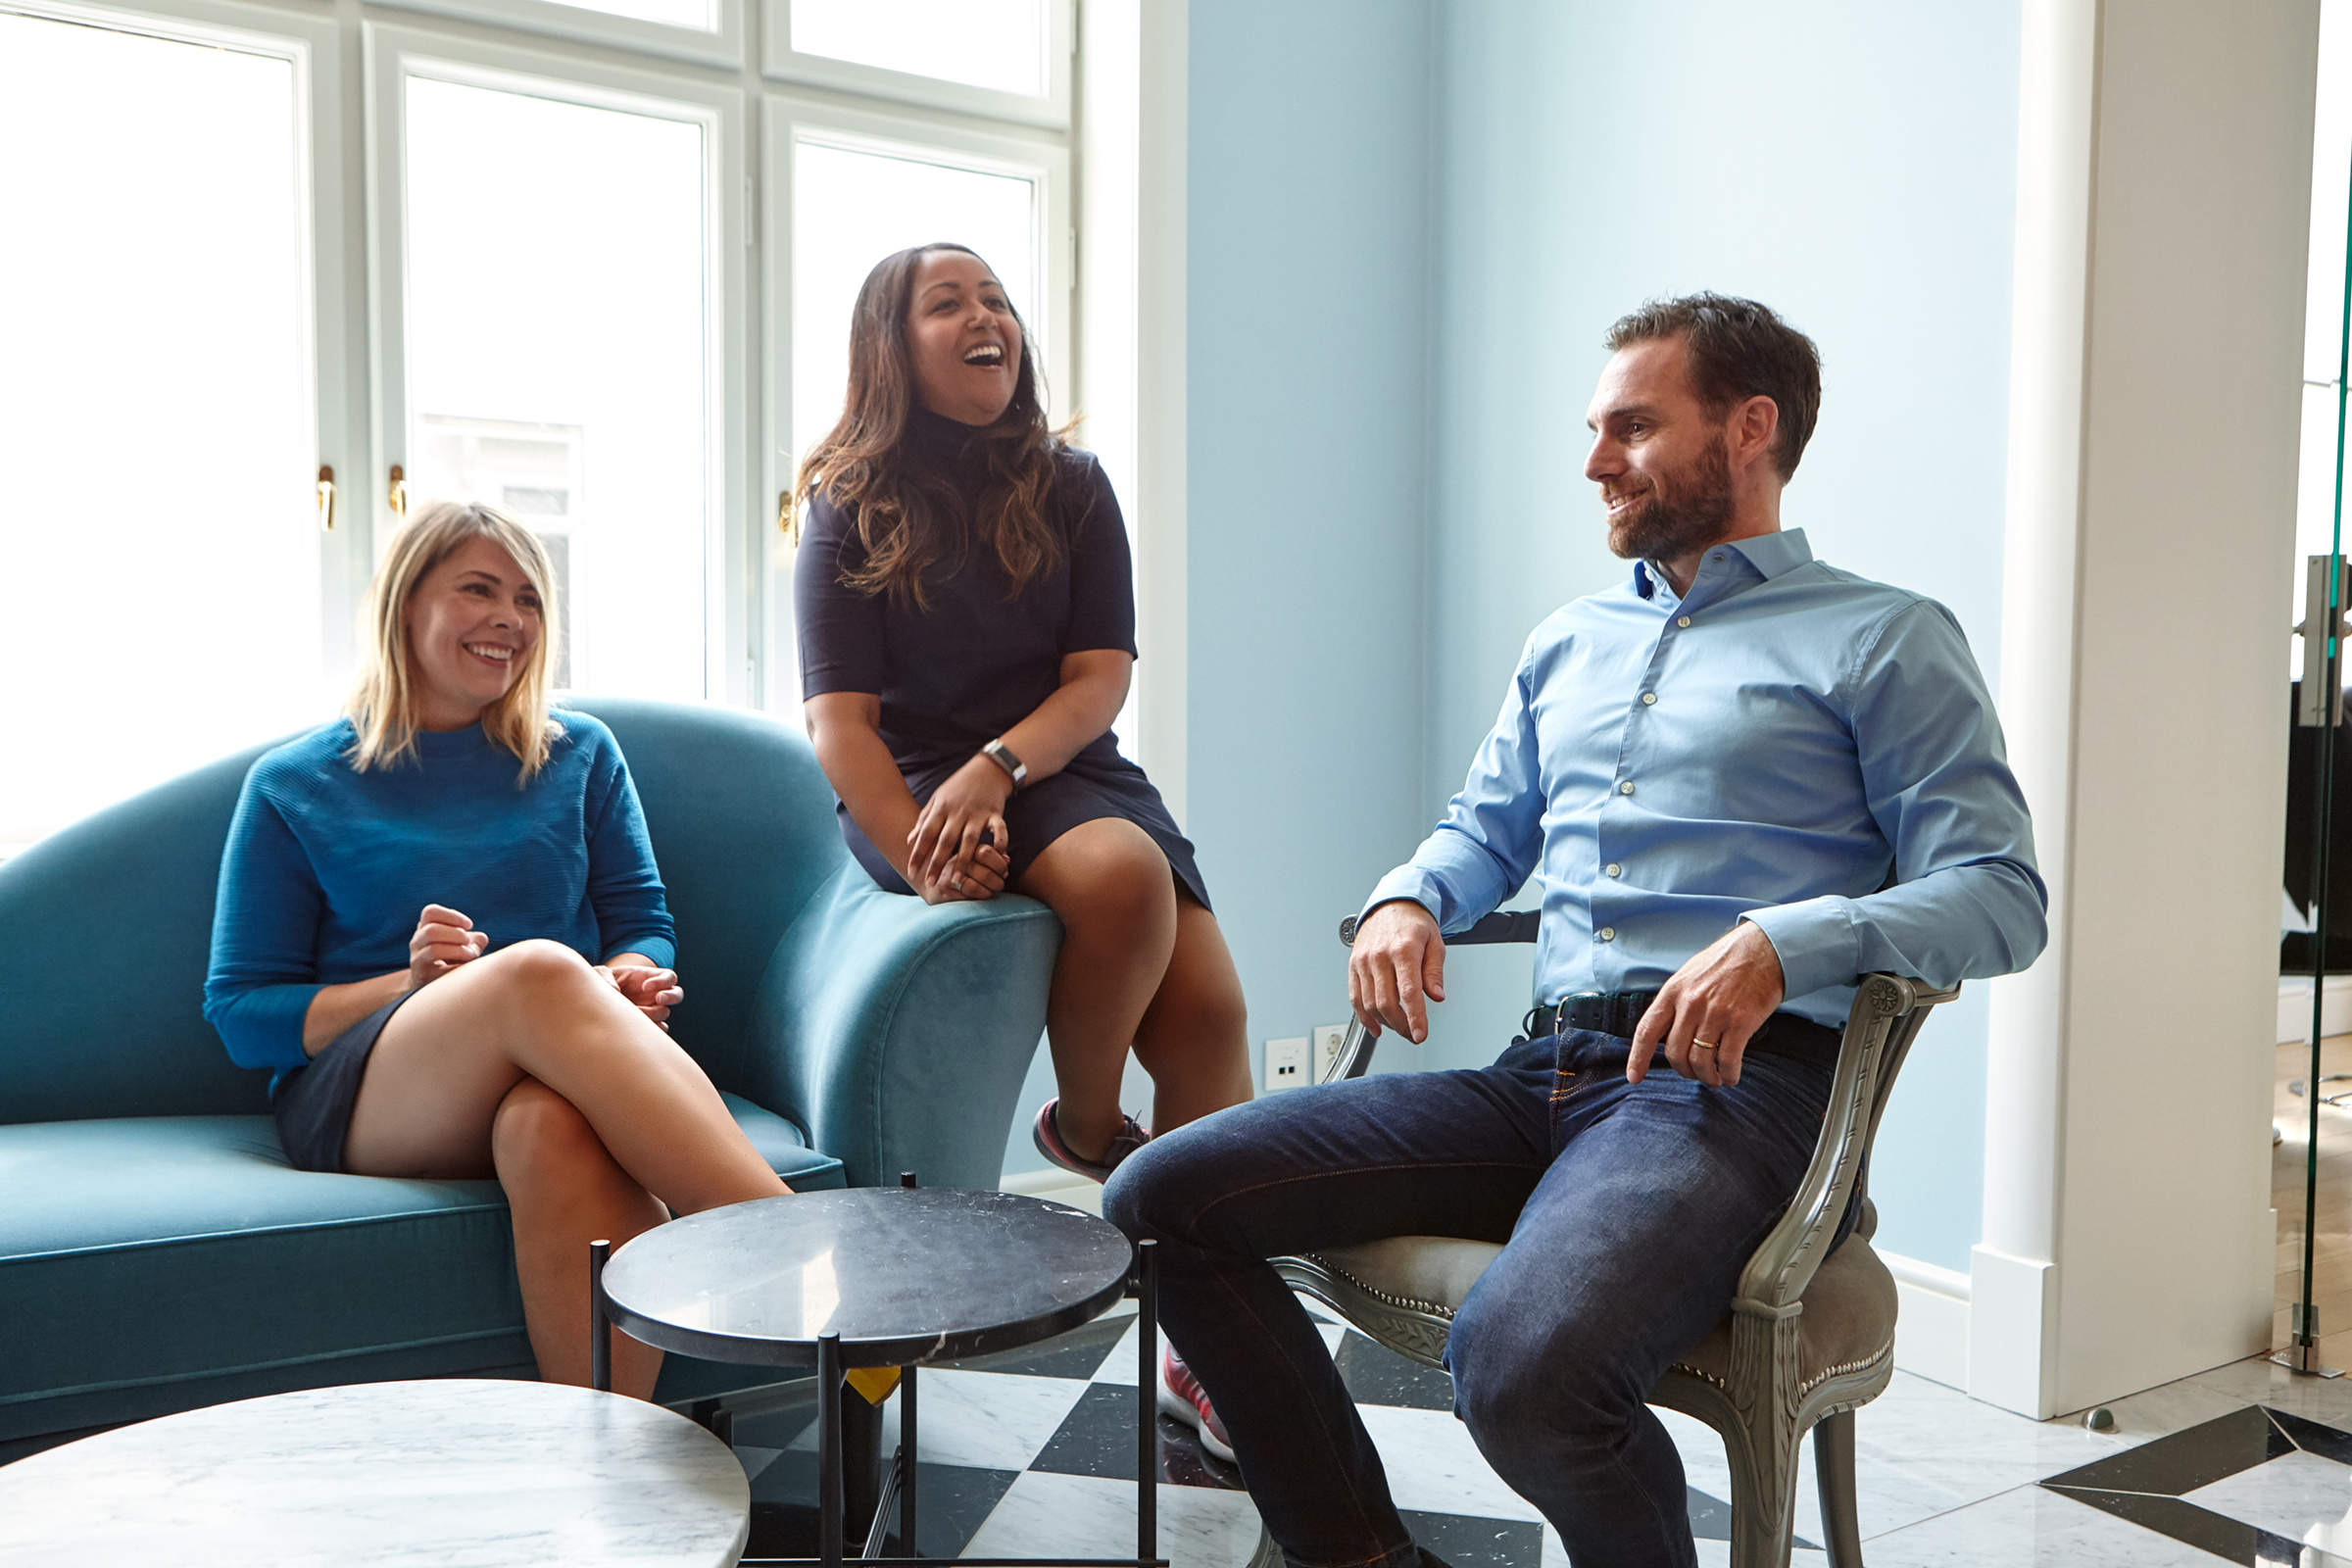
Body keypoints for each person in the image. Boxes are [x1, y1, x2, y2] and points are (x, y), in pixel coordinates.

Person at [1104, 294, 2048, 1568]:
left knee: (1523, 1364)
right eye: (1595, 429)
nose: (1595, 461)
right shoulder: (1571, 641)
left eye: (1633, 427)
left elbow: (2001, 896)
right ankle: (1361, 1554)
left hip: (1728, 1098)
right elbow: (1482, 827)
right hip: (1537, 1078)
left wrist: (1791, 943)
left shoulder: (1882, 638)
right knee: (1161, 1194)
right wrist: (1408, 894)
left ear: (1749, 429)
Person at [204, 501, 792, 1400]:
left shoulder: (579, 753)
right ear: (406, 607)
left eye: (528, 599)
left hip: (554, 1067)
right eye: (477, 590)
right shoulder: (294, 786)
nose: (509, 620)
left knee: (547, 1124)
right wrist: (410, 984)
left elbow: (640, 919)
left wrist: (627, 976)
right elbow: (243, 1017)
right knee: (537, 969)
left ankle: (610, 1469)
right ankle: (799, 1252)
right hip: (375, 1099)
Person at [794, 242, 1254, 1190]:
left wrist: (998, 767)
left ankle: (1205, 1307)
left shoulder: (1074, 486)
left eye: (997, 301)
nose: (985, 318)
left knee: (1212, 1020)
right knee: (1124, 875)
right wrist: (924, 854)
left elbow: (1098, 680)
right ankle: (1093, 1128)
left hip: (1056, 762)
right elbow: (840, 723)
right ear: (891, 346)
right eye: (948, 303)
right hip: (916, 779)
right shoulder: (847, 502)